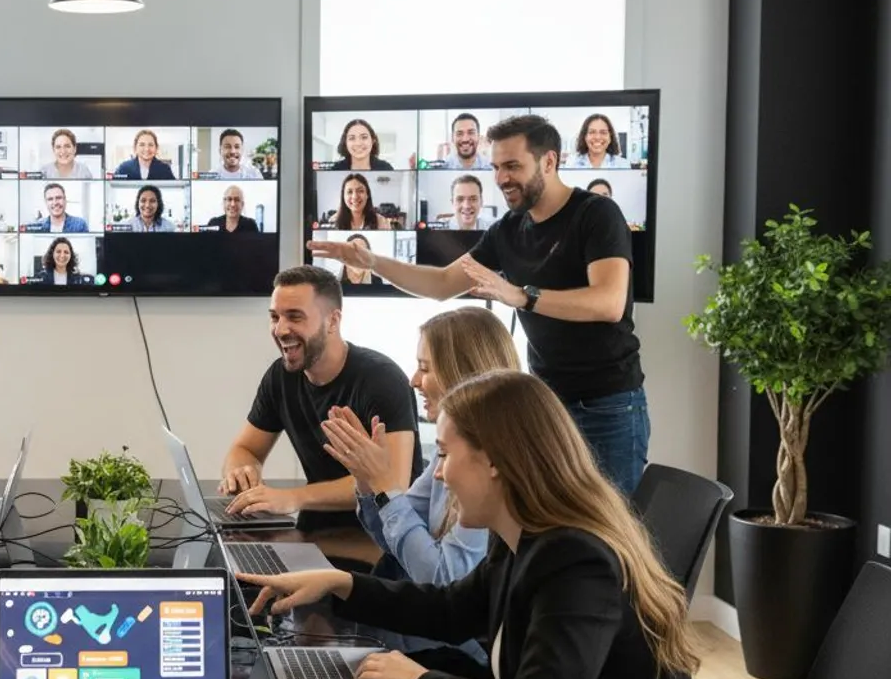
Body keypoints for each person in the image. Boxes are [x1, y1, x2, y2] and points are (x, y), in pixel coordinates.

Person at [238, 370, 751, 679]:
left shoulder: (575, 562)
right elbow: (449, 610)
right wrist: (339, 584)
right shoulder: (524, 539)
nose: (438, 475)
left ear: (496, 463)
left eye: (445, 454)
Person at [309, 114, 649, 494]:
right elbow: (441, 284)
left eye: (513, 166)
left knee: (615, 530)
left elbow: (608, 302)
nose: (502, 178)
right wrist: (373, 262)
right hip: (548, 401)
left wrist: (520, 296)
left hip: (609, 403)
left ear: (549, 161)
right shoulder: (507, 229)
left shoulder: (596, 214)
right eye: (497, 167)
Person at [325, 307, 518, 592]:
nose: (414, 380)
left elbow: (443, 579)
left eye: (425, 368)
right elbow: (393, 540)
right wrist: (367, 482)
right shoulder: (449, 454)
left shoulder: (491, 461)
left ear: (464, 374)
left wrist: (385, 483)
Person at [220, 265, 421, 529]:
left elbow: (394, 482)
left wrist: (292, 498)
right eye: (274, 317)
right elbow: (244, 449)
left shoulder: (382, 379)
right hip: (318, 526)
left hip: (385, 537)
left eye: (294, 317)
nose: (280, 330)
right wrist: (241, 471)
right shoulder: (280, 376)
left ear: (333, 321)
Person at [566, 113, 632, 170]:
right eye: (592, 132)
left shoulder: (623, 165)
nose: (597, 137)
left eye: (603, 132)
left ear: (610, 137)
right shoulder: (572, 163)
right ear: (585, 136)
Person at [330, 118, 394, 172]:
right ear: (345, 142)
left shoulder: (386, 168)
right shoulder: (336, 169)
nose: (358, 143)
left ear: (373, 140)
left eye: (364, 137)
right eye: (352, 138)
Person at [111, 128, 177, 180]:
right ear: (135, 148)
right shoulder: (124, 168)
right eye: (142, 145)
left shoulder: (164, 169)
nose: (146, 149)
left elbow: (175, 190)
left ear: (156, 148)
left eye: (151, 145)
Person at [25, 182, 90, 233]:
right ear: (45, 202)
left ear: (65, 200)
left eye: (58, 198)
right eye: (50, 199)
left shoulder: (80, 224)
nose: (55, 203)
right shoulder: (37, 226)